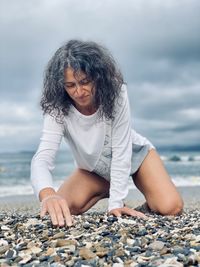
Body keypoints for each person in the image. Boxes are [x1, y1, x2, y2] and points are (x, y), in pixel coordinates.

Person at [30, 39, 183, 227]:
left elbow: (121, 149)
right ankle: (106, 189)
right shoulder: (57, 107)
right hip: (94, 171)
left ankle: (131, 197)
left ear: (97, 76)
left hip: (134, 154)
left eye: (85, 82)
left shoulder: (116, 93)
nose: (79, 91)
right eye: (70, 85)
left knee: (170, 208)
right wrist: (47, 195)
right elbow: (43, 157)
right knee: (59, 209)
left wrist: (116, 205)